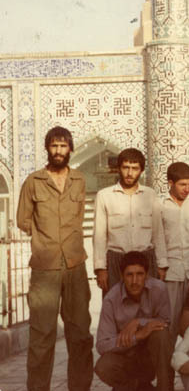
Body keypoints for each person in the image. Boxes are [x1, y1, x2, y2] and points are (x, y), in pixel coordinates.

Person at [16, 126, 94, 391]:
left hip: (75, 265)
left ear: (70, 148)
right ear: (47, 148)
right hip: (44, 269)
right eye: (54, 146)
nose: (58, 151)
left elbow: (79, 216)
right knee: (42, 336)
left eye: (63, 146)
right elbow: (23, 220)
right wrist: (45, 239)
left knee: (80, 334)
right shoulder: (33, 181)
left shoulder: (79, 180)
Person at [95, 251, 174, 391]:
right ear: (121, 276)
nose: (134, 281)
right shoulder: (111, 299)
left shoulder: (159, 289)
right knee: (104, 366)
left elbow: (165, 322)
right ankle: (138, 387)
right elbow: (102, 345)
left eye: (140, 274)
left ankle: (165, 388)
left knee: (161, 333)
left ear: (147, 275)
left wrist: (139, 322)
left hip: (151, 357)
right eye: (129, 275)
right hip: (126, 357)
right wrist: (136, 337)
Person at [93, 148, 161, 293]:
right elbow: (99, 236)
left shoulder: (150, 195)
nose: (130, 173)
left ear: (141, 170)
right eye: (126, 167)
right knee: (116, 303)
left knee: (148, 303)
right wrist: (100, 269)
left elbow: (158, 233)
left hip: (145, 260)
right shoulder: (104, 196)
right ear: (119, 168)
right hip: (116, 262)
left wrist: (162, 264)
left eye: (135, 168)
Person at [153, 162, 189, 341]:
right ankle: (167, 359)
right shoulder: (160, 206)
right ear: (170, 183)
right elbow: (158, 238)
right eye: (183, 184)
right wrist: (162, 266)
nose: (187, 189)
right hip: (171, 273)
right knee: (169, 322)